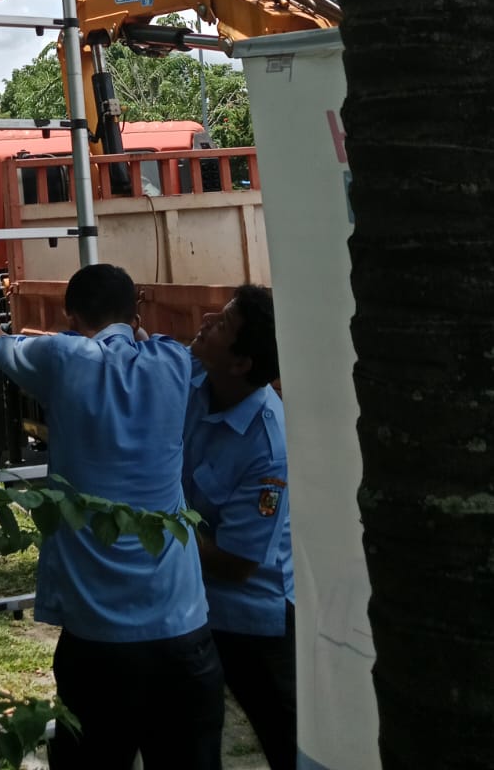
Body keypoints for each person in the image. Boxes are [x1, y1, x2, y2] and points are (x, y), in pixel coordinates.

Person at [0, 245, 225, 770]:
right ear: (134, 312)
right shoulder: (173, 362)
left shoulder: (62, 359)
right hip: (183, 631)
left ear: (72, 317)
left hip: (97, 639)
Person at [183, 287, 297, 770]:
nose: (207, 320)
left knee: (287, 742)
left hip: (253, 621)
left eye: (224, 323)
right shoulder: (193, 380)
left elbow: (239, 565)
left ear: (241, 364)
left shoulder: (268, 446)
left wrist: (159, 525)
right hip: (195, 605)